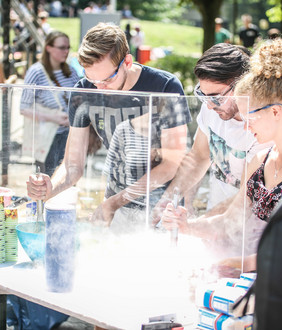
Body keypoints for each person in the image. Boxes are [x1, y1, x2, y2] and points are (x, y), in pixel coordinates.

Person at [160, 38, 282, 273]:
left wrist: (243, 264)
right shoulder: (260, 160)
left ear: (275, 111)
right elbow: (229, 221)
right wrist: (186, 226)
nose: (245, 126)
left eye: (250, 118)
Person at [26, 23, 190, 231]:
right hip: (115, 206)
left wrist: (113, 203)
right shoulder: (83, 91)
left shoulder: (165, 87)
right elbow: (72, 165)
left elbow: (171, 165)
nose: (99, 88)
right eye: (92, 79)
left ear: (127, 62)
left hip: (161, 206)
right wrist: (51, 187)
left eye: (107, 79)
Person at [152, 43, 268, 225]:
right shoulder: (213, 109)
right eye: (202, 95)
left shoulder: (262, 126)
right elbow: (198, 157)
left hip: (250, 230)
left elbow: (246, 196)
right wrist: (167, 202)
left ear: (244, 85)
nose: (209, 105)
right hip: (213, 222)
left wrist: (196, 225)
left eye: (216, 97)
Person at [20, 30, 80, 177]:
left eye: (68, 47)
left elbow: (80, 99)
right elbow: (24, 108)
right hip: (47, 137)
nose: (66, 51)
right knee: (48, 179)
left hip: (70, 134)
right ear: (49, 48)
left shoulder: (71, 71)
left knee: (68, 177)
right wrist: (54, 118)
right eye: (62, 47)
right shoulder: (36, 72)